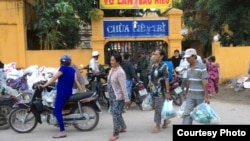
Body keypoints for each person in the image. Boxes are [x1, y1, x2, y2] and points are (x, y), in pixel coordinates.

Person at [41, 54, 83, 138]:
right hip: (68, 92)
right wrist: (81, 91)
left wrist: (44, 86)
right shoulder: (72, 70)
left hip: (62, 93)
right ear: (69, 62)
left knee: (57, 111)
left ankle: (62, 131)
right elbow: (76, 82)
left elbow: (53, 78)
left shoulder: (62, 69)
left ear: (61, 62)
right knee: (59, 108)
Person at [182, 48, 210, 125]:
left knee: (203, 115)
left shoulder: (202, 67)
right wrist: (186, 92)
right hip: (190, 95)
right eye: (186, 58)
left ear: (194, 56)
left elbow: (205, 82)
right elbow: (188, 81)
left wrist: (206, 96)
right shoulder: (188, 67)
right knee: (187, 114)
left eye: (188, 58)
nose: (187, 59)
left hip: (200, 96)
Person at [107, 52, 130, 141]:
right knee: (116, 113)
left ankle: (115, 133)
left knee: (115, 114)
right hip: (112, 96)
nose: (111, 62)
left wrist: (126, 99)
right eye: (111, 60)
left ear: (118, 61)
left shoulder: (120, 72)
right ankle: (123, 126)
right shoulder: (111, 70)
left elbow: (123, 86)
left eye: (113, 60)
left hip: (118, 97)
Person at [148, 48, 171, 133]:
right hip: (153, 90)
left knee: (158, 108)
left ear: (161, 56)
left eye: (156, 54)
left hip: (160, 91)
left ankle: (157, 125)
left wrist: (167, 92)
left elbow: (166, 79)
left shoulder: (164, 66)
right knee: (159, 107)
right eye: (154, 54)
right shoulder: (154, 65)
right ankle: (166, 121)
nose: (154, 56)